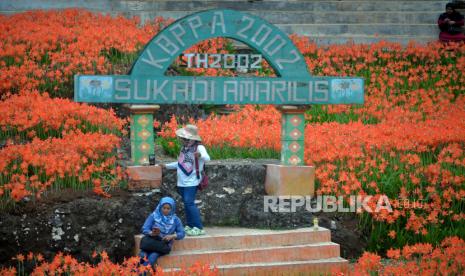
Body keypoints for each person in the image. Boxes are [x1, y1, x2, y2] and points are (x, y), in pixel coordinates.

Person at [162, 124, 210, 236]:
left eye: (186, 138)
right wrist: (166, 166)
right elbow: (180, 164)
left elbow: (207, 158)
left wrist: (200, 155)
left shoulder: (199, 148)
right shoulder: (184, 149)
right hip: (182, 181)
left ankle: (198, 227)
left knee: (189, 203)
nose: (184, 140)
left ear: (193, 139)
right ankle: (190, 225)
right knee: (186, 204)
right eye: (183, 138)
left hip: (192, 181)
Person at [139, 197, 185, 268]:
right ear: (160, 207)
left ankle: (142, 272)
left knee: (152, 257)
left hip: (162, 245)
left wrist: (172, 236)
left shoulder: (175, 220)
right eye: (164, 208)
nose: (166, 210)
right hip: (151, 242)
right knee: (142, 256)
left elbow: (182, 233)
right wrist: (151, 233)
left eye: (168, 208)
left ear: (172, 209)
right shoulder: (153, 216)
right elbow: (144, 228)